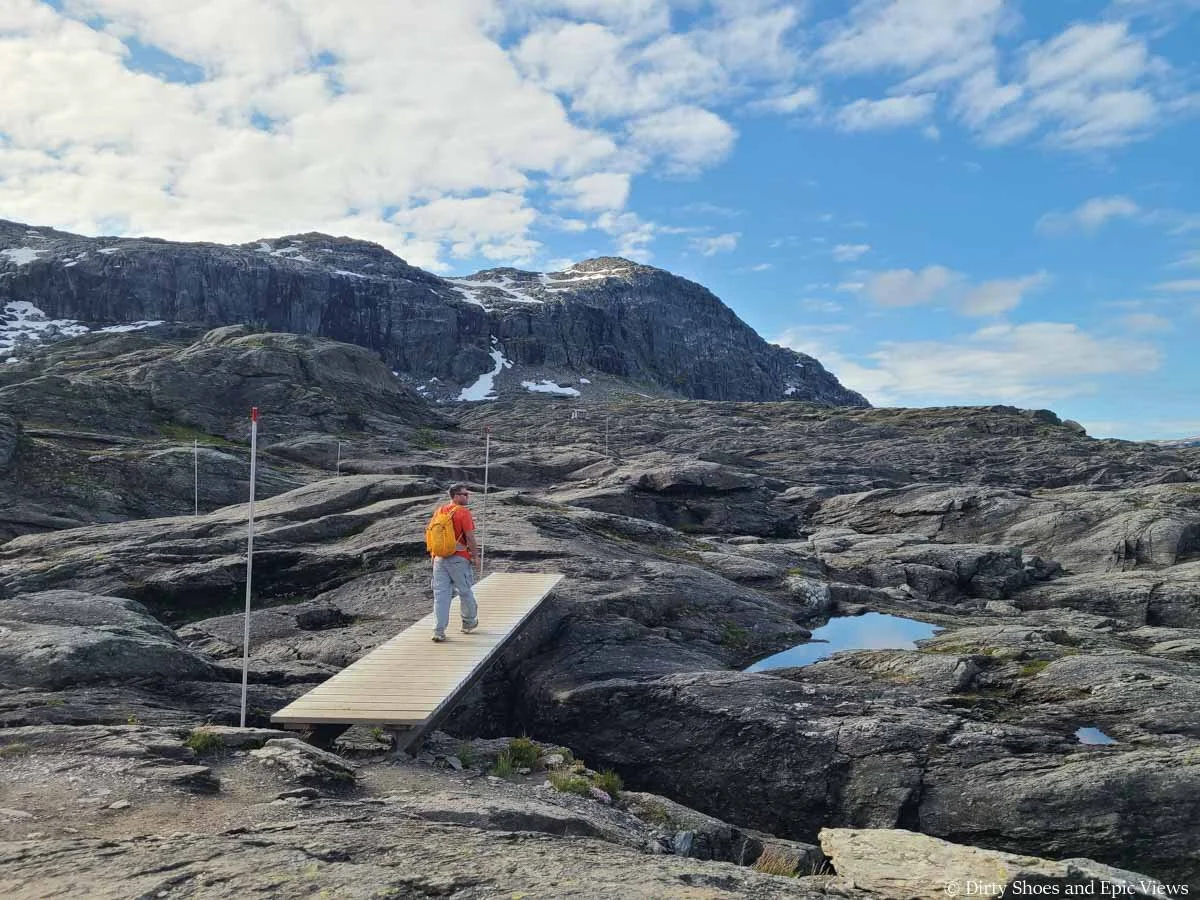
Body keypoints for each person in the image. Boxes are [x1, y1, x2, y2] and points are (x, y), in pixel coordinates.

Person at [430, 483, 479, 642]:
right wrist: (475, 556)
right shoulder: (463, 513)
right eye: (465, 494)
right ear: (456, 496)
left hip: (439, 559)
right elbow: (470, 537)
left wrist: (434, 555)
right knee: (465, 592)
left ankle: (438, 631)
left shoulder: (439, 510)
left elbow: (432, 534)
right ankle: (469, 623)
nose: (467, 497)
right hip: (458, 558)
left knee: (441, 596)